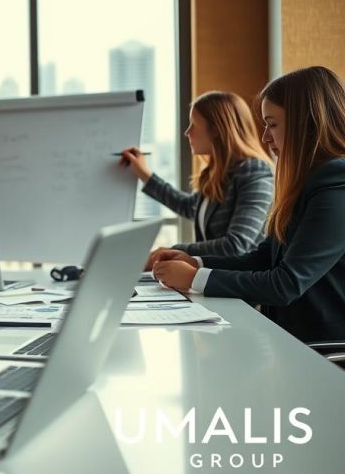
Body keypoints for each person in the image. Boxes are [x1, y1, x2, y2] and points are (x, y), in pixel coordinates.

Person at [150, 66, 345, 343]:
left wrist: (195, 278)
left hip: (321, 348)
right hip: (291, 337)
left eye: (272, 124)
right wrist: (196, 261)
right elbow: (263, 257)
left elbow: (286, 284)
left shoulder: (336, 184)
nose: (265, 137)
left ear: (306, 122)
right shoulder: (307, 181)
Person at [119, 91, 273, 256]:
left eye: (193, 124)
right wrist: (145, 174)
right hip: (215, 277)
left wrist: (173, 251)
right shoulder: (217, 174)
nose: (187, 132)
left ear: (215, 129)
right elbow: (187, 206)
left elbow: (235, 245)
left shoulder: (254, 172)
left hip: (240, 279)